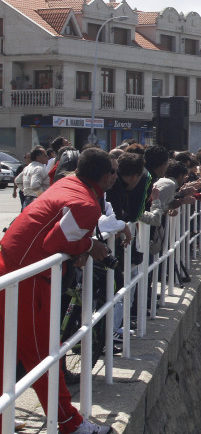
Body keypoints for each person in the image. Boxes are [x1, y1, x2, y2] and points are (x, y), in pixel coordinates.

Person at [0, 147, 119, 434]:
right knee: (43, 354)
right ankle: (69, 423)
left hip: (11, 267)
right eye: (113, 171)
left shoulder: (67, 182)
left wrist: (78, 245)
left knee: (6, 351)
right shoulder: (86, 204)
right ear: (106, 177)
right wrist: (89, 246)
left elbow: (56, 234)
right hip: (26, 279)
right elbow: (54, 243)